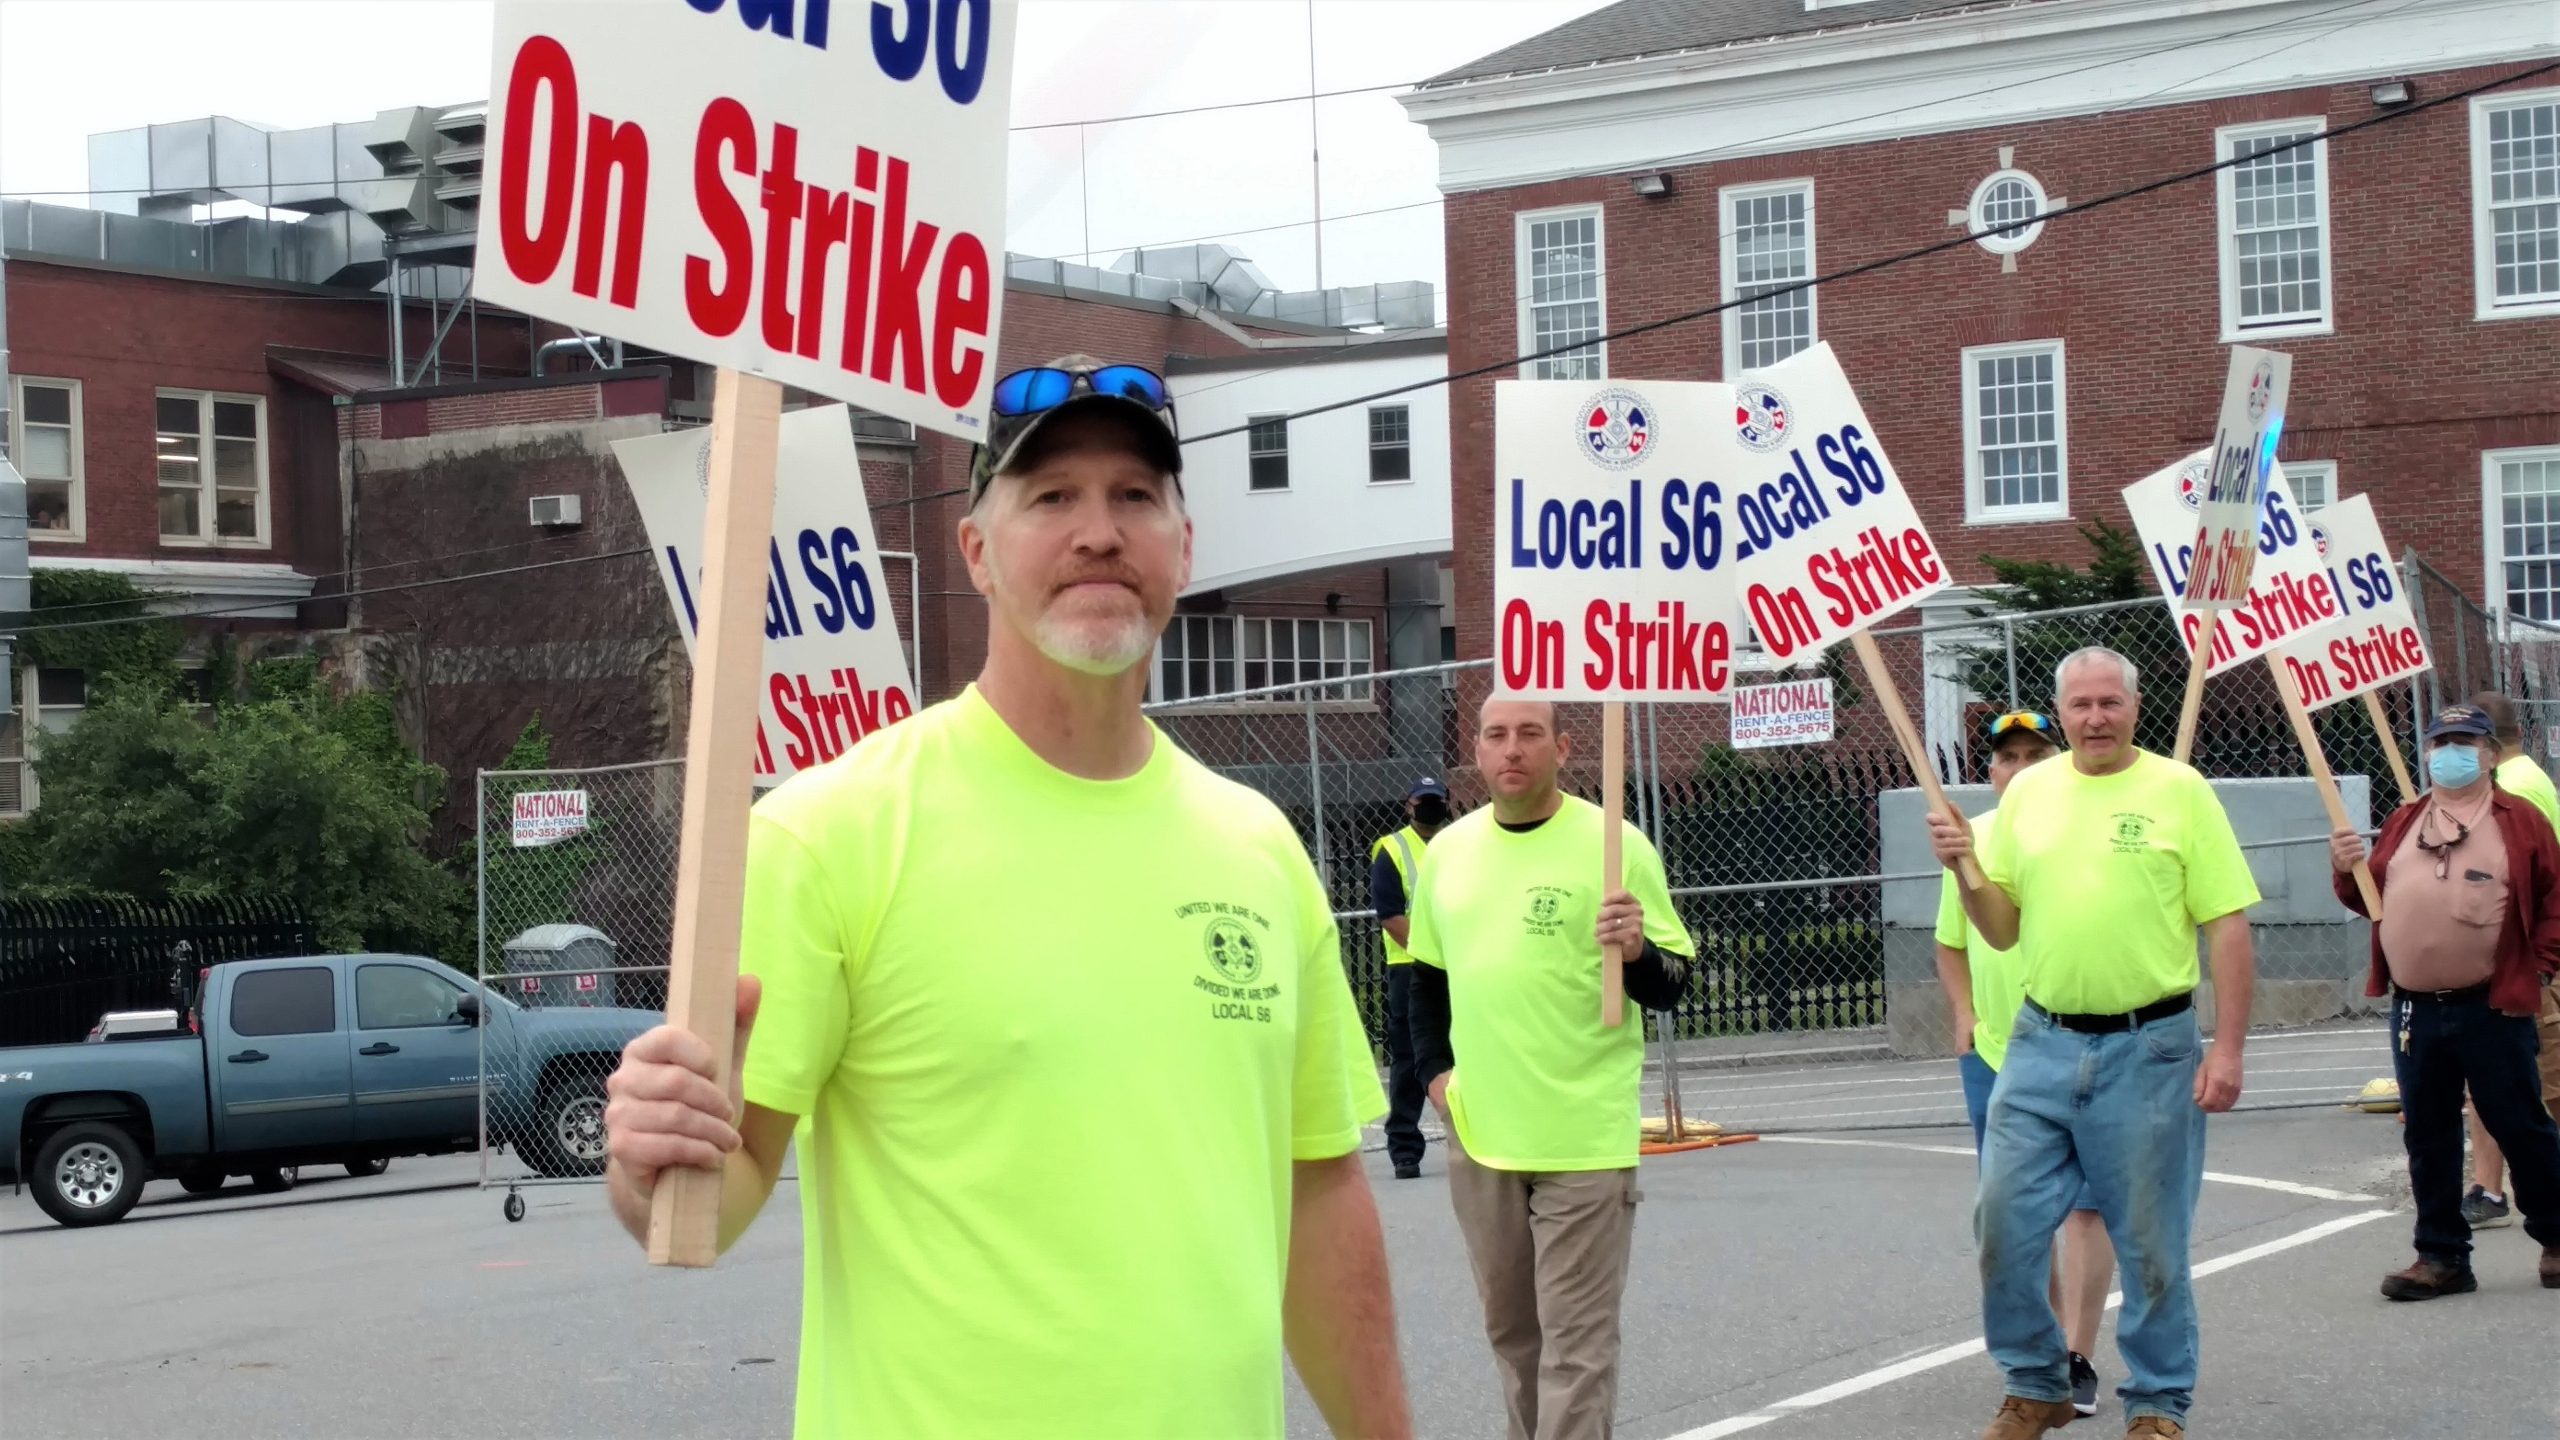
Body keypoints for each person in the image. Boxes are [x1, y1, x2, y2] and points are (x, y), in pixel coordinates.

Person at [598, 356, 1411, 1439]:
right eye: (1051, 497)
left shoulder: (1258, 850)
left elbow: (1319, 1194)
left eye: (1135, 495)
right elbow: (718, 1188)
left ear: (1184, 544)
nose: (1098, 532)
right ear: (976, 551)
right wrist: (652, 1156)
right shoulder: (829, 833)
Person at [1928, 647, 2259, 1440]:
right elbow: (2000, 931)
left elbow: (2228, 925)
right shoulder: (2031, 792)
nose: (2095, 718)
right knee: (2001, 1219)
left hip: (2151, 1047)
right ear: (2062, 709)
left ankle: (2156, 1403)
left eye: (2110, 702)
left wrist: (2229, 1049)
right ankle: (2037, 1382)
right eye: (2080, 705)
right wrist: (1967, 869)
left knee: (2150, 1240)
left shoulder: (2181, 792)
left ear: (2135, 708)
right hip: (2039, 1044)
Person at [1406, 697, 1695, 1440]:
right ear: (1476, 749)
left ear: (1563, 747)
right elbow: (1424, 982)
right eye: (1496, 735)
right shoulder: (1450, 851)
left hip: (1582, 1136)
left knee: (1576, 1344)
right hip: (1483, 1130)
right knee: (1514, 1336)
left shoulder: (1615, 845)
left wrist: (1635, 951)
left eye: (1530, 734)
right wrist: (1437, 1077)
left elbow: (1673, 983)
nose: (1512, 750)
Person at [2327, 702, 2560, 1299]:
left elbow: (2555, 896)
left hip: (2492, 1004)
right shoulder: (2406, 820)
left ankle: (2557, 1235)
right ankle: (2441, 1255)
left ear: (2488, 754)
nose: (2450, 752)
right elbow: (2371, 901)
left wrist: (2541, 966)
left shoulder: (2521, 820)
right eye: (2440, 742)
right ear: (2426, 754)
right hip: (2415, 1008)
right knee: (2427, 1133)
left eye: (2464, 741)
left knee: (2520, 1124)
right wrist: (2345, 870)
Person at [1933, 710, 2117, 1419]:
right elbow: (1951, 941)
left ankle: (2077, 1353)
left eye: (2037, 753)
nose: (2022, 767)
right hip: (1996, 1055)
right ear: (1991, 772)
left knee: (2088, 1210)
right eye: (2008, 757)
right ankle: (2040, 1355)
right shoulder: (1969, 838)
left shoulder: (2081, 823)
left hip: (2080, 1045)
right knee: (2016, 1216)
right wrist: (1963, 1014)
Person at [2457, 690, 2560, 1231]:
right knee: (2502, 1081)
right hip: (2519, 957)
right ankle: (2489, 1186)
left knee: (2521, 1082)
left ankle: (2509, 1190)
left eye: (2463, 742)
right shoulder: (2532, 777)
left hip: (2515, 959)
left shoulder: (2512, 789)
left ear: (2488, 747)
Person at [1370, 776, 1456, 1180]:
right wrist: (1431, 952)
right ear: (1408, 806)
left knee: (1467, 1051)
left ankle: (1477, 1139)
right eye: (1422, 801)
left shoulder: (1462, 845)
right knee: (1408, 1058)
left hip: (1460, 963)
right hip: (1412, 966)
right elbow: (1390, 915)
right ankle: (1405, 1148)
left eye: (1435, 801)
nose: (1429, 808)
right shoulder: (1391, 848)